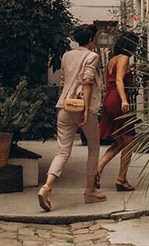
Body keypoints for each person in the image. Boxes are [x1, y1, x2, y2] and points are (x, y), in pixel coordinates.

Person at [37, 23, 104, 211]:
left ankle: (47, 186)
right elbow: (87, 82)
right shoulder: (92, 56)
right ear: (91, 39)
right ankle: (90, 190)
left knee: (62, 151)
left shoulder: (66, 55)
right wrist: (85, 109)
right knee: (93, 147)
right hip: (82, 107)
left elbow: (64, 81)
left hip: (64, 106)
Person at [96, 32, 139, 192]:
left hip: (109, 99)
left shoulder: (112, 60)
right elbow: (120, 80)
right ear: (130, 45)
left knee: (120, 142)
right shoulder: (124, 59)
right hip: (118, 101)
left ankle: (98, 170)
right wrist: (124, 100)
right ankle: (121, 179)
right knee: (130, 140)